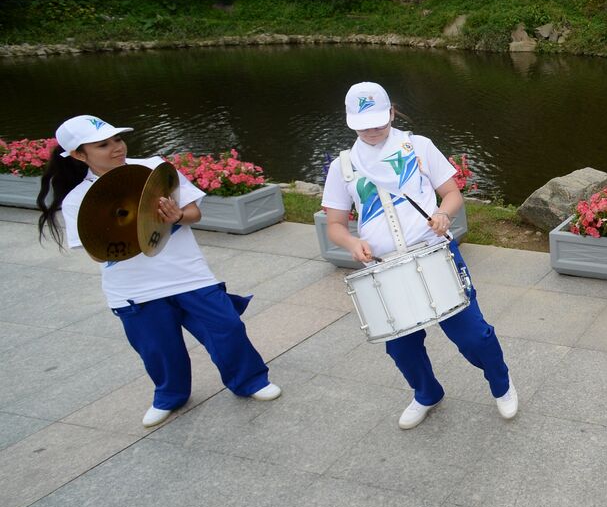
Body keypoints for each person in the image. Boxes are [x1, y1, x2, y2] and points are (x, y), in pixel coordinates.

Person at [36, 116, 282, 429]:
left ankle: (249, 381)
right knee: (159, 350)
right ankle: (170, 396)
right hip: (134, 289)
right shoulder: (78, 200)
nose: (116, 148)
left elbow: (194, 212)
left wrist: (176, 216)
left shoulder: (154, 169)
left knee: (227, 327)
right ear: (79, 155)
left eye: (117, 140)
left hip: (186, 274)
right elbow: (94, 248)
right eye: (103, 145)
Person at [322, 81, 516, 429]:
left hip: (434, 253)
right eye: (363, 125)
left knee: (473, 334)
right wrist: (352, 244)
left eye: (379, 122)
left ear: (392, 112)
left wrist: (443, 215)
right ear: (350, 121)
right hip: (384, 269)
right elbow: (335, 223)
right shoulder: (344, 166)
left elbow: (451, 193)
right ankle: (427, 393)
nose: (371, 131)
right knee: (401, 347)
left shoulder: (418, 146)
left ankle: (501, 384)